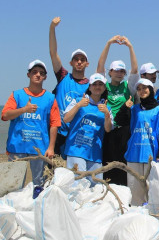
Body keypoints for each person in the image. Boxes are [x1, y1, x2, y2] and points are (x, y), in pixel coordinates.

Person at [2, 60, 61, 186]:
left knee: (39, 184)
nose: (38, 75)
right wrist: (24, 109)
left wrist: (51, 148)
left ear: (45, 77)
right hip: (17, 146)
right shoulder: (17, 95)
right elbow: (5, 115)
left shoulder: (50, 98)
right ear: (28, 75)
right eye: (34, 72)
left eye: (41, 73)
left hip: (39, 147)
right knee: (14, 183)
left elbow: (54, 123)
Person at [115, 78, 159, 205]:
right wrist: (124, 108)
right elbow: (119, 120)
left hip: (152, 156)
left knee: (152, 192)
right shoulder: (134, 109)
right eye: (139, 89)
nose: (141, 91)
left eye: (144, 88)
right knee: (135, 193)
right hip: (134, 155)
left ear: (150, 89)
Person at [96, 35, 139, 185]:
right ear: (110, 72)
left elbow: (134, 70)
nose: (119, 73)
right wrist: (108, 43)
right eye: (116, 70)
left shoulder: (128, 86)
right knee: (108, 163)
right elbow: (99, 67)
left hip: (124, 130)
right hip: (108, 129)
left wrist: (130, 46)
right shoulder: (103, 86)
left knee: (123, 163)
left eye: (122, 71)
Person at [49, 17, 90, 157]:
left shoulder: (92, 85)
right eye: (76, 59)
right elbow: (53, 53)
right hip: (58, 132)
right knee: (53, 173)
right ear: (71, 63)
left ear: (87, 64)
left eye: (82, 60)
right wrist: (52, 28)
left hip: (78, 135)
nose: (79, 62)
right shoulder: (63, 77)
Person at [63, 73, 113, 185]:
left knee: (96, 186)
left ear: (104, 88)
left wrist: (106, 114)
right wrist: (78, 106)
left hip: (95, 154)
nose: (97, 87)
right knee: (77, 185)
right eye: (94, 84)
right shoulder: (78, 101)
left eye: (101, 84)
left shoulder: (106, 108)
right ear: (89, 87)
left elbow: (108, 129)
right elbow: (66, 119)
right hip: (76, 150)